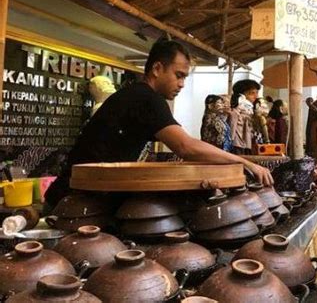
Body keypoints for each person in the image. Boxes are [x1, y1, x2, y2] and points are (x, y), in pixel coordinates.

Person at [45, 40, 273, 208]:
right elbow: (186, 147)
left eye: (185, 77)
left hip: (81, 196)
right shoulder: (145, 97)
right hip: (75, 202)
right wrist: (247, 164)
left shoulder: (140, 95)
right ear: (157, 69)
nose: (182, 84)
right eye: (179, 75)